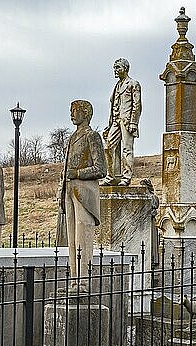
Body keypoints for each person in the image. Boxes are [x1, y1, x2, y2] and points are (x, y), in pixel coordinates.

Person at [59, 100, 106, 288]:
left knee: (83, 237)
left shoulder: (92, 136)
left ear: (85, 113)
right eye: (70, 110)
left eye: (75, 110)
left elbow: (101, 169)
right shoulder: (71, 138)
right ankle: (74, 279)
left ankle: (83, 281)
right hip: (69, 191)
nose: (71, 113)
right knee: (71, 238)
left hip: (84, 194)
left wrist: (78, 174)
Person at [102, 58, 142, 186]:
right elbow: (113, 105)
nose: (115, 70)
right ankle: (111, 176)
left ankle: (126, 177)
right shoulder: (116, 86)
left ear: (125, 69)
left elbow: (137, 104)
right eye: (114, 68)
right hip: (115, 121)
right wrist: (109, 126)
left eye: (118, 68)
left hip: (127, 121)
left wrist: (133, 122)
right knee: (108, 147)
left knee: (127, 149)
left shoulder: (133, 83)